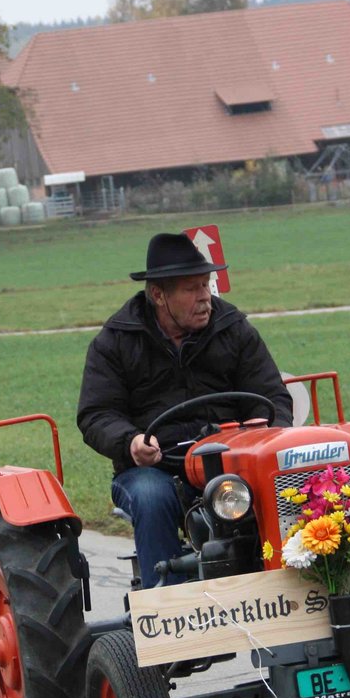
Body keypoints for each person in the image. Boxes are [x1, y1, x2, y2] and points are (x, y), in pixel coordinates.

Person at [77, 232, 292, 587]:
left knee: (289, 478)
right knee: (151, 497)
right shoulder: (115, 341)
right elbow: (96, 414)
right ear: (158, 295)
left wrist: (268, 427)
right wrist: (131, 442)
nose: (205, 296)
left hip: (230, 457)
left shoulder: (233, 327)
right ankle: (167, 602)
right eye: (192, 289)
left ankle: (294, 579)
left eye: (206, 284)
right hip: (156, 468)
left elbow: (271, 394)